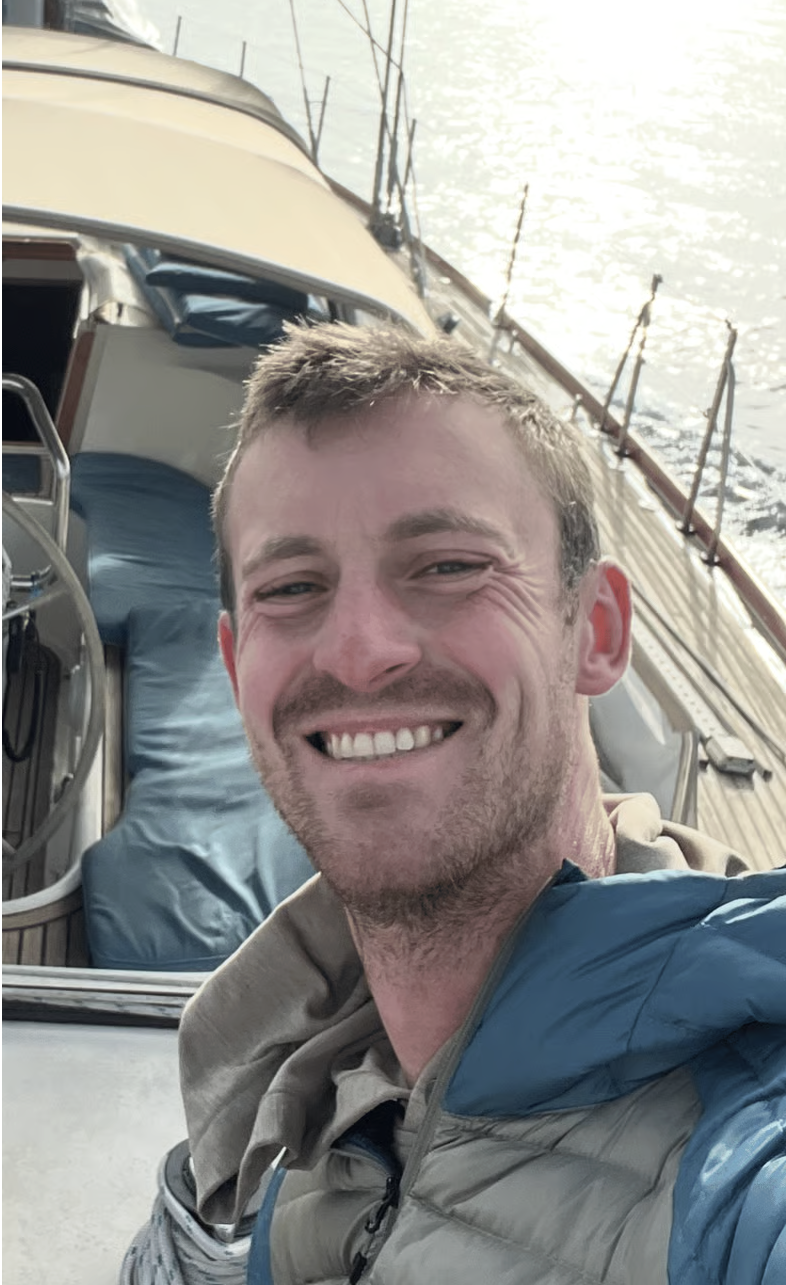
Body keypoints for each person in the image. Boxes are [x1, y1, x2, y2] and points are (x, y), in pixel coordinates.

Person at [179, 323, 785, 1285]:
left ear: (595, 630)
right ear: (234, 664)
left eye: (449, 566)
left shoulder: (747, 1174)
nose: (358, 649)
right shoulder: (302, 1100)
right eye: (291, 588)